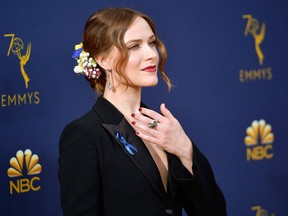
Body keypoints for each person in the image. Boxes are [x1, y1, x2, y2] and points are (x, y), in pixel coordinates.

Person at [58, 7, 226, 216]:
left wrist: (185, 149)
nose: (151, 54)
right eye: (134, 46)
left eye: (151, 42)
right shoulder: (84, 135)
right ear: (103, 60)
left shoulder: (163, 129)